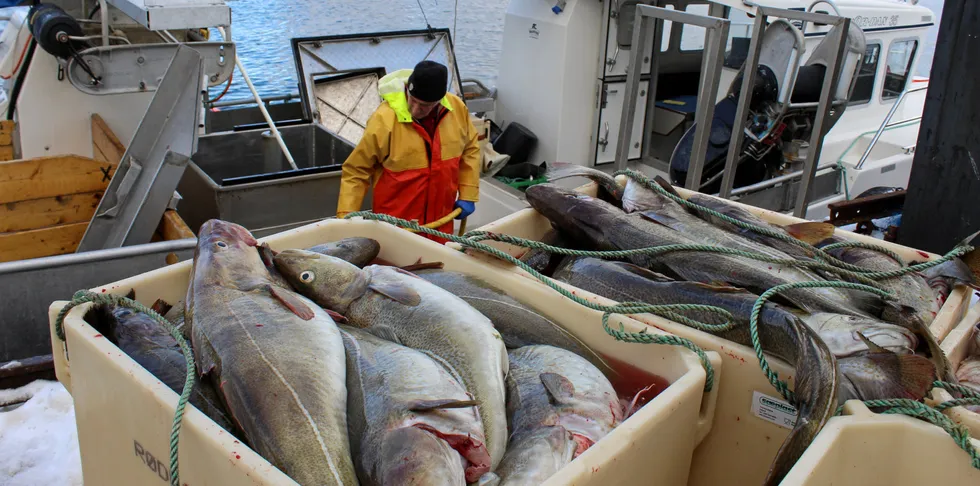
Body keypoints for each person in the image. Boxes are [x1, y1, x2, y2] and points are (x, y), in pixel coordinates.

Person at [336, 60, 480, 243]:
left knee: (440, 267)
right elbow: (356, 170)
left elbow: (470, 148)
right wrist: (347, 219)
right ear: (407, 89)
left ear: (439, 101)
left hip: (441, 226)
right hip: (396, 229)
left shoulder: (457, 109)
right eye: (413, 100)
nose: (415, 110)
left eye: (424, 106)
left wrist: (468, 193)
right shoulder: (384, 119)